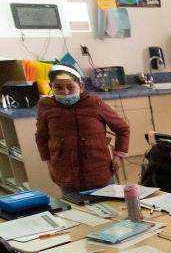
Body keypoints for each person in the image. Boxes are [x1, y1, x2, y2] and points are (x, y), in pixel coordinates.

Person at [35, 64, 130, 195]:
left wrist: (118, 155)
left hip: (98, 172)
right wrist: (48, 163)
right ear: (51, 87)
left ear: (80, 86)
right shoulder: (46, 106)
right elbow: (41, 137)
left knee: (110, 209)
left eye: (70, 87)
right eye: (58, 88)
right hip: (65, 173)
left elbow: (122, 129)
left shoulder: (94, 103)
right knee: (75, 211)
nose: (65, 92)